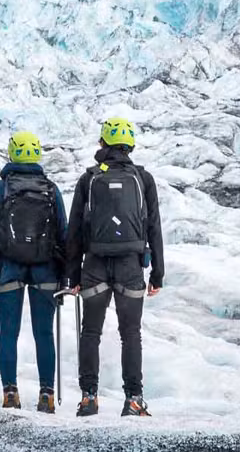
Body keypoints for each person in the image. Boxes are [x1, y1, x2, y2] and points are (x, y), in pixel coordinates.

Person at [60, 117, 164, 417]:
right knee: (131, 333)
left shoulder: (89, 177)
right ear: (130, 145)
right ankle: (134, 398)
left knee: (90, 332)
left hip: (94, 264)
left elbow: (75, 231)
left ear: (102, 142)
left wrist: (73, 274)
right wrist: (157, 273)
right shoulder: (143, 179)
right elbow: (153, 227)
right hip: (131, 266)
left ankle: (89, 397)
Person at [0, 131, 67, 413]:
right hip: (46, 271)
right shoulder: (50, 189)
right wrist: (65, 277)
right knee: (44, 334)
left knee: (9, 332)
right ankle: (46, 395)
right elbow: (63, 235)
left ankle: (10, 393)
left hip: (9, 269)